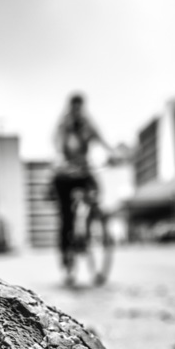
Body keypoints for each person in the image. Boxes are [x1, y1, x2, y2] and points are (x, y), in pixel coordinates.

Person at [51, 93, 114, 276]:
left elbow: (102, 141)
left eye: (80, 107)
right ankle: (66, 254)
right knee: (66, 216)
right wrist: (62, 161)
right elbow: (57, 144)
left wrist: (113, 154)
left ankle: (90, 222)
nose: (77, 110)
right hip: (65, 174)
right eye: (74, 107)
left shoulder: (88, 125)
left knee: (95, 193)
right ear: (70, 107)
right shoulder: (63, 126)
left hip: (84, 172)